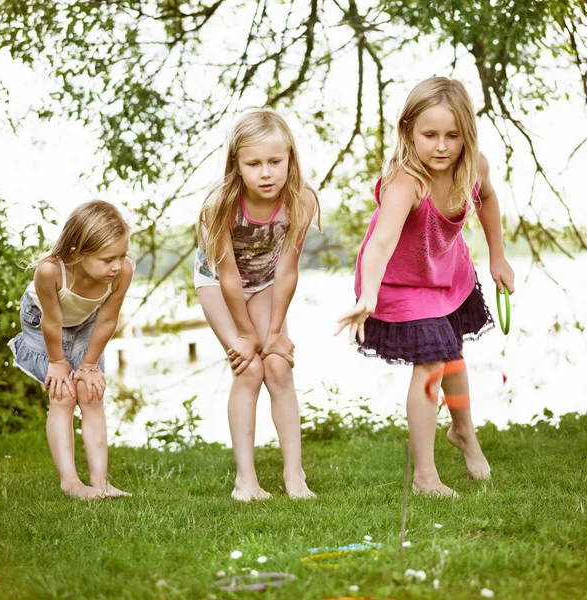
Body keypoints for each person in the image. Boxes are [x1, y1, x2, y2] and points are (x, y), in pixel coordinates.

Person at [335, 77, 515, 497]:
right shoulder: (406, 181)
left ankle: (464, 432)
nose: (441, 146)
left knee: (452, 354)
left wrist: (498, 255)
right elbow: (380, 241)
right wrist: (367, 296)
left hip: (445, 273)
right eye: (429, 135)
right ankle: (425, 477)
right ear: (408, 132)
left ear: (466, 134)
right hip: (396, 281)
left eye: (452, 135)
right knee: (432, 362)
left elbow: (486, 200)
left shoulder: (475, 166)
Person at [195, 107, 320, 502]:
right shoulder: (219, 206)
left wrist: (275, 333)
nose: (265, 172)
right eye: (254, 164)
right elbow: (228, 276)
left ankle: (294, 476)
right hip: (218, 284)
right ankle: (245, 481)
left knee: (279, 368)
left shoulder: (301, 201)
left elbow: (286, 271)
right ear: (237, 165)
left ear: (289, 160)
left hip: (266, 282)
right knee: (248, 369)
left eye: (274, 162)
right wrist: (248, 336)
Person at [8, 200, 133, 500]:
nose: (116, 265)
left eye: (121, 255)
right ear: (79, 251)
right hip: (42, 324)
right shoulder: (50, 271)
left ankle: (100, 482)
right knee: (63, 395)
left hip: (87, 321)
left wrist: (89, 366)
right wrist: (57, 362)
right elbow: (52, 321)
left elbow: (107, 319)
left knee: (90, 392)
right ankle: (70, 482)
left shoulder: (122, 272)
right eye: (107, 259)